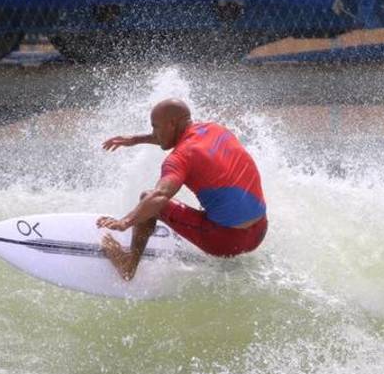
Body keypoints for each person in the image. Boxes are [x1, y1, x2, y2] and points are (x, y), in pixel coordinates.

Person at [96, 98, 267, 280]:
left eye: (156, 127)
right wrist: (137, 139)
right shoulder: (215, 129)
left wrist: (125, 221)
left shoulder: (180, 158)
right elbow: (174, 137)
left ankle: (128, 264)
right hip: (259, 230)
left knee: (148, 198)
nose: (154, 132)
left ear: (171, 124)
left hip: (226, 242)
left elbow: (160, 196)